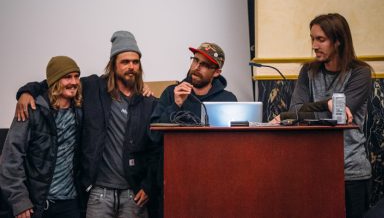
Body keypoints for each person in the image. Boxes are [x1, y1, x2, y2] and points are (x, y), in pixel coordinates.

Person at [15, 31, 160, 218]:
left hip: (133, 193)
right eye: (125, 62)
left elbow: (155, 149)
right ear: (113, 65)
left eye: (135, 61)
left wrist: (148, 185)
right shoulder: (93, 87)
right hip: (99, 193)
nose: (131, 67)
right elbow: (58, 80)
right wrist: (27, 91)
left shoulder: (148, 102)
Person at [270, 13, 372, 218]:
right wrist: (325, 104)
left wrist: (308, 112)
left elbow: (340, 116)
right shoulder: (308, 71)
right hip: (312, 170)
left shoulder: (360, 72)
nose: (314, 46)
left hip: (350, 171)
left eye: (321, 39)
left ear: (338, 41)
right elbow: (294, 112)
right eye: (312, 39)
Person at [0, 56, 82, 218]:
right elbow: (11, 158)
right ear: (55, 81)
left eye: (76, 76)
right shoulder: (31, 109)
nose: (74, 82)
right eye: (67, 77)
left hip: (70, 203)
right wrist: (19, 201)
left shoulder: (80, 110)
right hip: (38, 204)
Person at [150, 42, 237, 125]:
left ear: (216, 72)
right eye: (195, 60)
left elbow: (236, 138)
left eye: (204, 64)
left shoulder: (227, 100)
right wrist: (176, 105)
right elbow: (154, 136)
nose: (196, 67)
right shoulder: (172, 92)